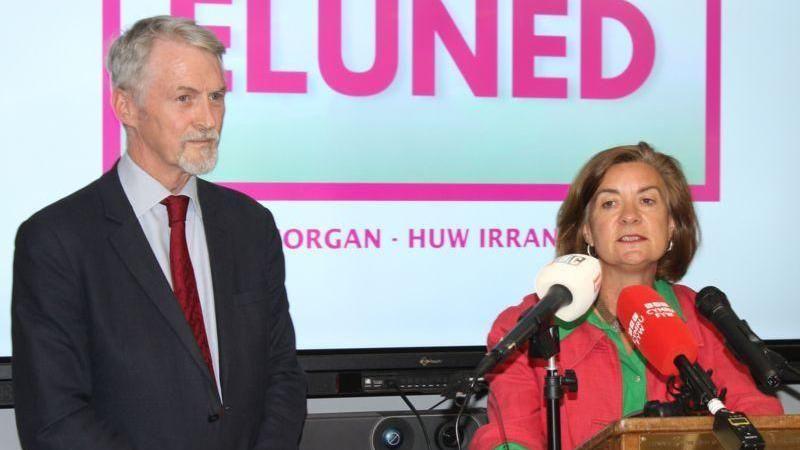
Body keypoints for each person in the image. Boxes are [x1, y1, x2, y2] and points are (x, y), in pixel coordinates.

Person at [12, 16, 306, 450]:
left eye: (216, 97)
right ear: (125, 107)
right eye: (184, 98)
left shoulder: (250, 225)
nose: (208, 119)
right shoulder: (56, 240)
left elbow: (282, 375)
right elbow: (56, 418)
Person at [470, 143, 783, 450]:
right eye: (610, 204)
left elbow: (763, 422)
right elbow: (510, 435)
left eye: (647, 201)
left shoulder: (708, 319)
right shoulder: (528, 324)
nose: (630, 216)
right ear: (588, 232)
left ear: (672, 224)